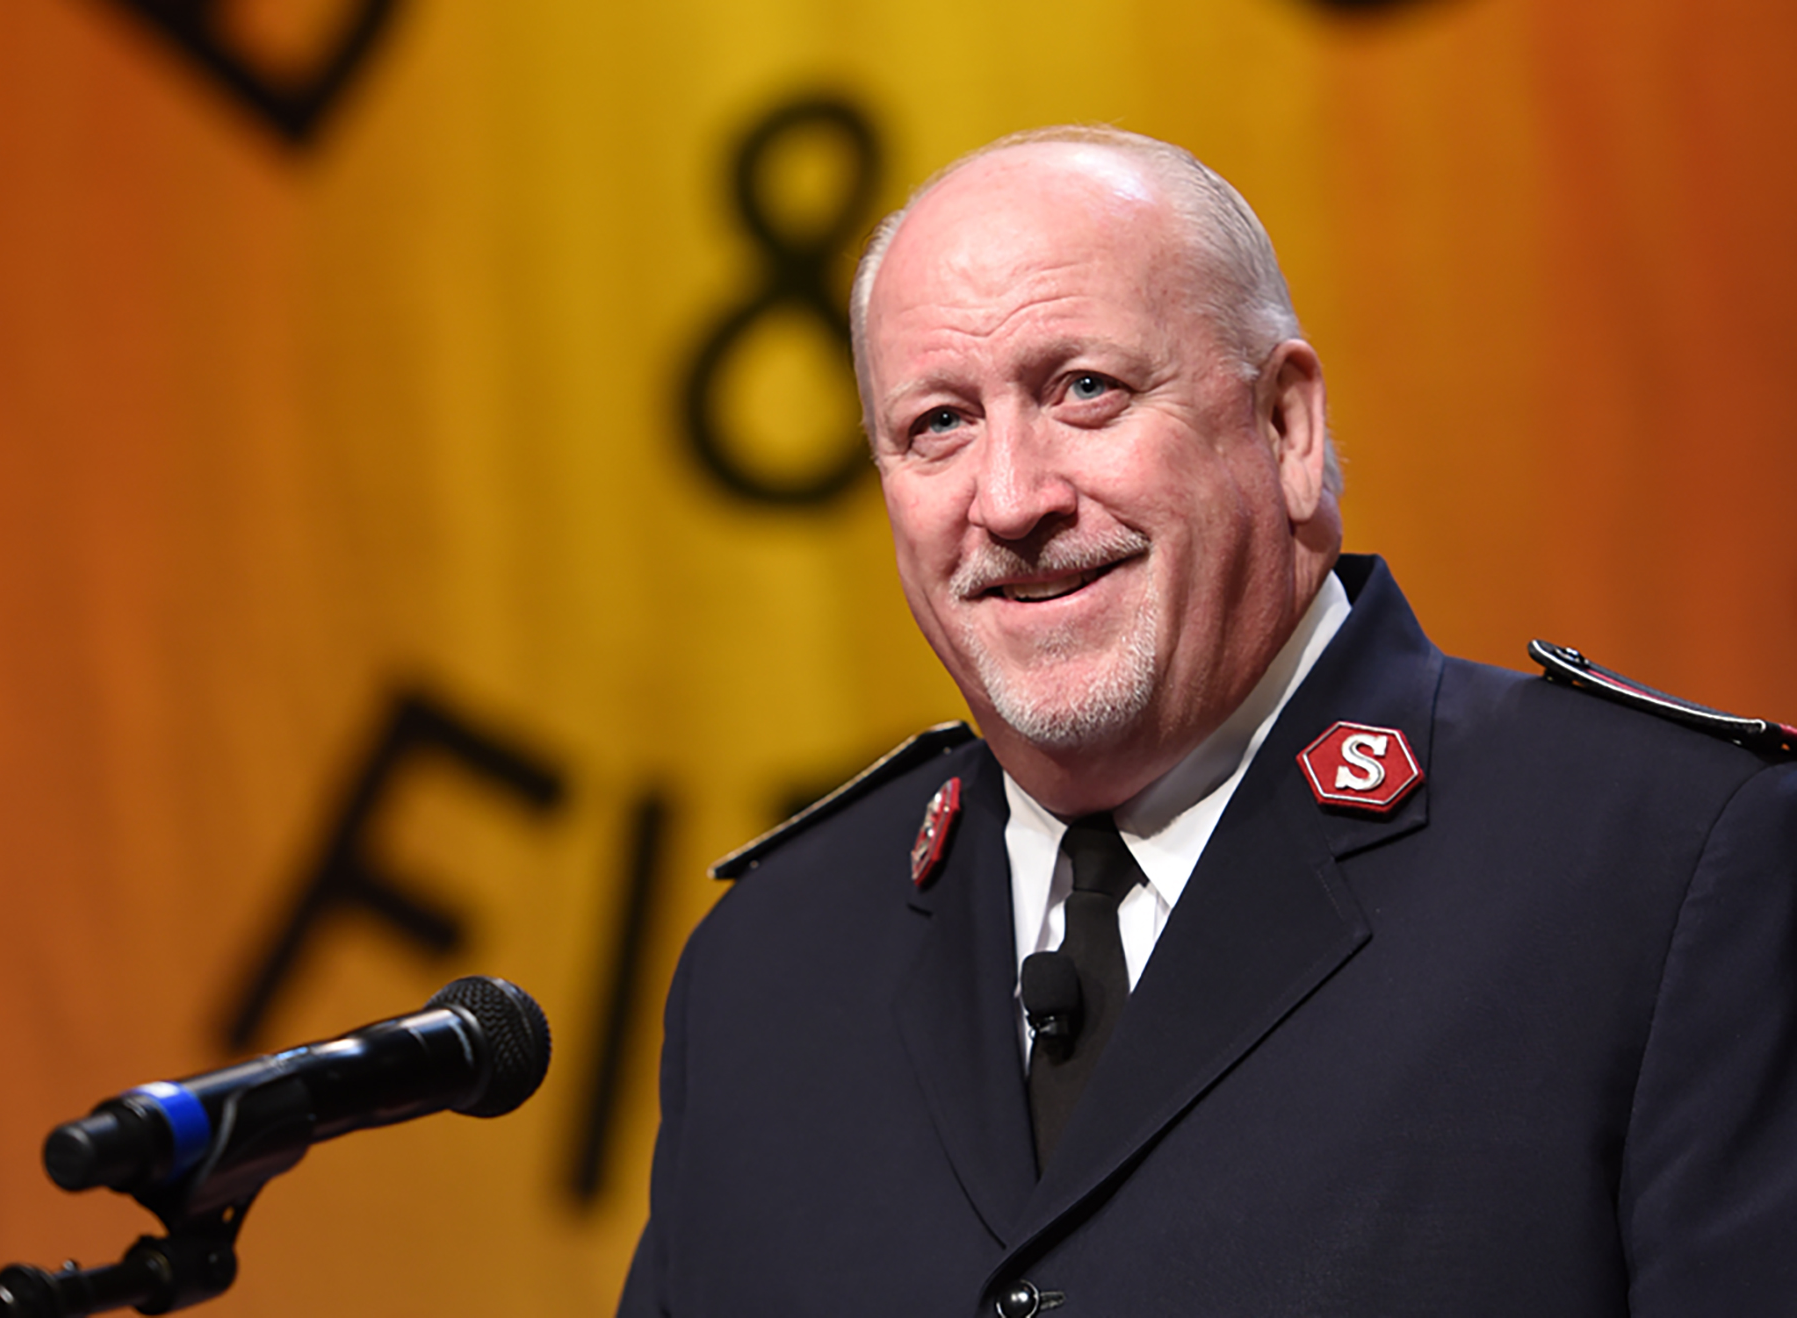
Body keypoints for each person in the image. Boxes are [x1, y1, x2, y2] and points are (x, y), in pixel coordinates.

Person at [618, 127, 1797, 1317]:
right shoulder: (762, 970)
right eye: (937, 425)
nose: (1012, 499)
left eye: (1084, 390)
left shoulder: (1663, 872)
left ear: (1285, 427)